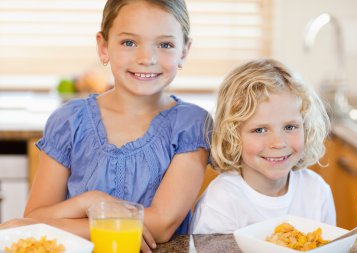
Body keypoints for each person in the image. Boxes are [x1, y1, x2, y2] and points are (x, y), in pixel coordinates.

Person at [0, 0, 211, 252]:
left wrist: (93, 222)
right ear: (103, 47)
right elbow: (35, 217)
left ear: (184, 52)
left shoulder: (191, 124)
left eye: (165, 44)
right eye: (129, 42)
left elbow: (162, 225)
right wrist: (91, 201)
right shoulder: (69, 120)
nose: (147, 58)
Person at [190, 59, 336, 234]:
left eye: (290, 127)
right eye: (260, 130)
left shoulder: (317, 191)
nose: (278, 143)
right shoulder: (221, 202)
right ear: (233, 136)